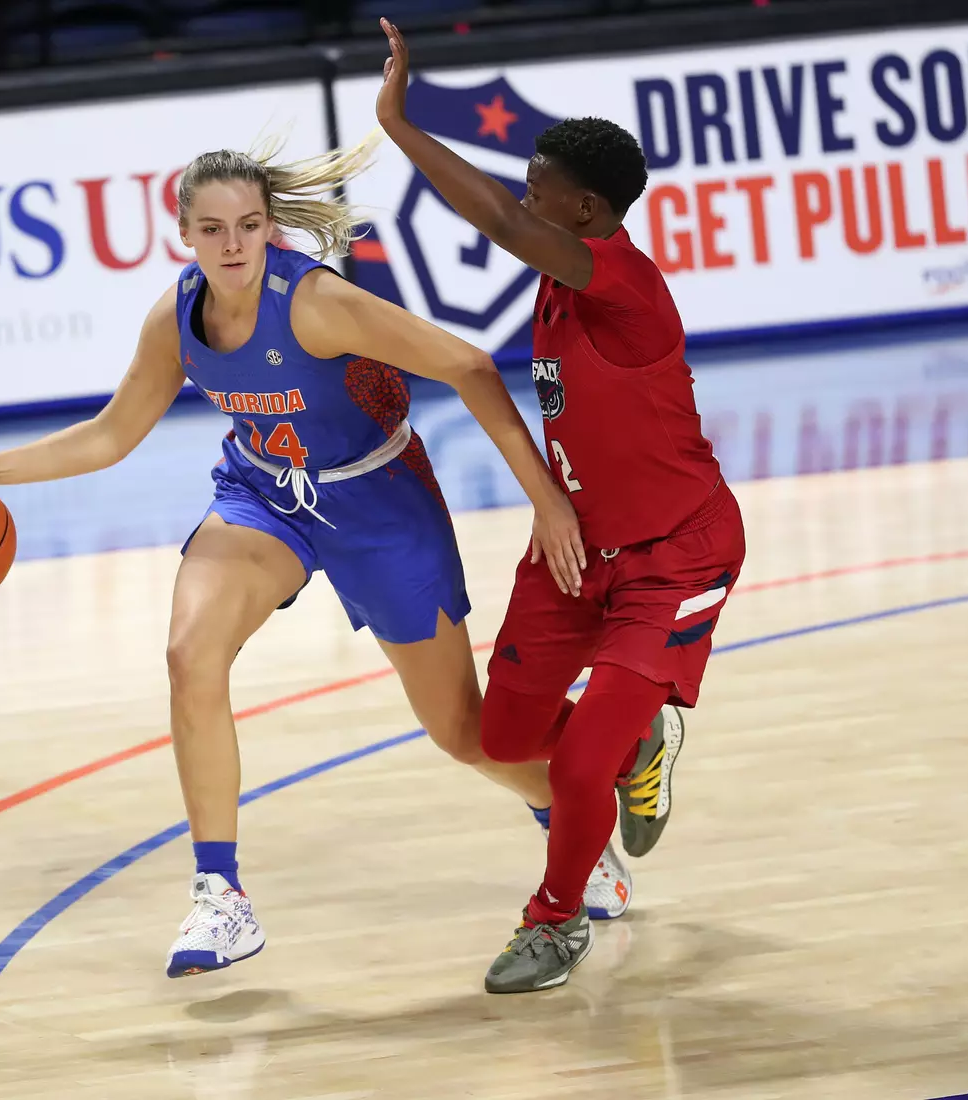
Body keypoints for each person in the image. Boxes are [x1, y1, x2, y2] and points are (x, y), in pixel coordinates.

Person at [0, 133, 625, 980]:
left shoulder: (315, 302)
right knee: (188, 652)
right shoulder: (177, 318)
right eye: (213, 229)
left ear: (271, 227)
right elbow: (110, 434)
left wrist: (543, 499)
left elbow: (466, 364)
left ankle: (573, 820)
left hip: (378, 501)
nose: (233, 244)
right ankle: (221, 895)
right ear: (185, 235)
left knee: (464, 734)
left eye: (248, 225)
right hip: (265, 495)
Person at [375, 18, 748, 994]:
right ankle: (639, 736)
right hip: (578, 547)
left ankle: (556, 921)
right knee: (502, 735)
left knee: (581, 768)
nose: (523, 196)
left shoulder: (620, 282)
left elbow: (499, 221)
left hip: (675, 555)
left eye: (539, 186)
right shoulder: (556, 278)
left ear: (584, 208)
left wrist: (400, 124)